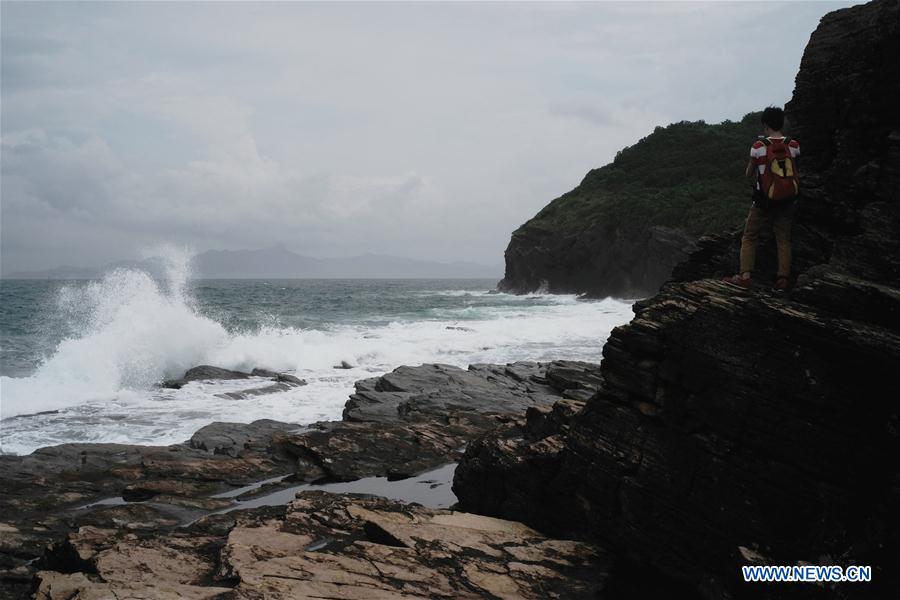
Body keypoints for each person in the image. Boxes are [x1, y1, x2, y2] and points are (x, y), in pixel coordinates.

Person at [723, 106, 800, 291]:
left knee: (749, 237)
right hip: (788, 200)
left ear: (765, 125)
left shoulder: (759, 147)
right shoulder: (793, 145)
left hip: (763, 201)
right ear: (782, 123)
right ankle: (782, 280)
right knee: (783, 240)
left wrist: (754, 163)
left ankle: (745, 276)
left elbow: (749, 174)